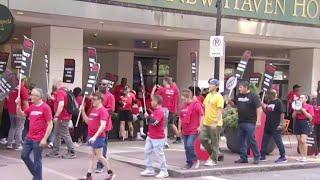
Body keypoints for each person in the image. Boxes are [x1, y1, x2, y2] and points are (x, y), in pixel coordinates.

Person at [17, 88, 53, 180]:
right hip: (29, 137)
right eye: (31, 94)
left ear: (38, 97)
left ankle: (37, 178)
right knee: (24, 155)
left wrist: (45, 139)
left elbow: (50, 124)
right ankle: (37, 175)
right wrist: (18, 105)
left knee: (37, 160)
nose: (30, 96)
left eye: (32, 94)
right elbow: (21, 114)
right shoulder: (32, 106)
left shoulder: (45, 107)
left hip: (39, 138)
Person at [79, 92, 115, 180]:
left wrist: (95, 136)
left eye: (94, 99)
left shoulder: (103, 111)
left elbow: (103, 125)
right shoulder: (93, 109)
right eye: (92, 99)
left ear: (100, 100)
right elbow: (88, 121)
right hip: (90, 135)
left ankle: (110, 173)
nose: (92, 101)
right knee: (90, 155)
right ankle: (89, 175)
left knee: (100, 157)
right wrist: (83, 111)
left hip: (98, 137)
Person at [229, 80, 262, 164]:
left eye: (241, 87)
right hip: (241, 121)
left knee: (251, 139)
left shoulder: (253, 96)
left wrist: (258, 121)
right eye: (239, 87)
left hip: (250, 122)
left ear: (246, 87)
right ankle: (243, 157)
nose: (239, 88)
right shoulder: (239, 95)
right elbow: (235, 105)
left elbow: (259, 109)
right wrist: (230, 102)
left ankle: (257, 156)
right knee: (241, 140)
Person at [140, 95, 169, 178]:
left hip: (158, 137)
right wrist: (144, 116)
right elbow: (151, 119)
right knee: (147, 152)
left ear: (157, 102)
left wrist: (147, 117)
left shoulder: (160, 111)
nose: (151, 102)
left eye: (153, 101)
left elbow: (155, 122)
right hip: (151, 136)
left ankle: (164, 171)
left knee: (159, 154)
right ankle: (149, 169)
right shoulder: (154, 111)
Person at [46, 80, 76, 159]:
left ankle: (71, 151)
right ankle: (55, 151)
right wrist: (52, 98)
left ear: (56, 84)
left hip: (62, 117)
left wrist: (56, 116)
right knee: (57, 134)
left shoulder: (60, 92)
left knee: (64, 134)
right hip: (64, 116)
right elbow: (61, 102)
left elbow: (61, 104)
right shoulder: (65, 91)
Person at [200, 79, 224, 166]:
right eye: (209, 84)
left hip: (215, 124)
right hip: (206, 122)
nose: (210, 86)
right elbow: (204, 107)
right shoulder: (208, 95)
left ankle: (214, 160)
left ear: (216, 86)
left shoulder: (219, 97)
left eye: (212, 84)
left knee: (215, 142)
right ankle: (214, 154)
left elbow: (220, 110)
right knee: (202, 138)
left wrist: (216, 122)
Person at [151, 77, 181, 148]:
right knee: (169, 125)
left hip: (164, 109)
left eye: (163, 81)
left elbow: (153, 97)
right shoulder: (174, 89)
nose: (163, 82)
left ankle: (163, 141)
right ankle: (166, 141)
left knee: (163, 126)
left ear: (165, 81)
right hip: (172, 110)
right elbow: (176, 98)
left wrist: (154, 89)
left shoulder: (161, 90)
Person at [260, 89, 287, 163]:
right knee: (264, 141)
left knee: (278, 141)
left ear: (276, 94)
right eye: (270, 93)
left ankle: (283, 156)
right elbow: (267, 112)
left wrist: (281, 124)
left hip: (276, 125)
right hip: (268, 125)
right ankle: (262, 155)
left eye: (272, 93)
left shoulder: (279, 102)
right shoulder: (269, 102)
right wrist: (263, 106)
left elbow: (282, 113)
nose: (270, 94)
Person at [180, 89, 204, 169]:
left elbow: (201, 115)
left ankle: (195, 159)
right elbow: (180, 118)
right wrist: (179, 129)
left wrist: (200, 126)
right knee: (186, 147)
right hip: (185, 130)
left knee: (190, 145)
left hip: (193, 129)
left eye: (183, 97)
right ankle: (189, 163)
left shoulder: (196, 105)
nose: (182, 99)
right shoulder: (183, 105)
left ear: (187, 97)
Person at [96, 79, 116, 173]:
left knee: (102, 145)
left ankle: (100, 165)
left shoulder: (110, 96)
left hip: (105, 124)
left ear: (107, 86)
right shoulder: (97, 95)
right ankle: (101, 161)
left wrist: (100, 110)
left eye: (103, 84)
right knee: (96, 146)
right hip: (96, 123)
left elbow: (111, 110)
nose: (101, 85)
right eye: (100, 83)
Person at [7, 78, 30, 150]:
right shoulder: (23, 89)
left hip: (11, 110)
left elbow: (7, 97)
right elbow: (26, 103)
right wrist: (28, 112)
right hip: (20, 111)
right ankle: (17, 145)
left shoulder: (11, 87)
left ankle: (9, 143)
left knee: (12, 127)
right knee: (19, 128)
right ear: (22, 81)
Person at [293, 95, 314, 162]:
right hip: (297, 123)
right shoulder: (297, 105)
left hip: (305, 123)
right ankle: (301, 156)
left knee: (303, 140)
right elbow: (293, 116)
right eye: (300, 97)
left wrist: (303, 110)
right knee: (299, 141)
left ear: (306, 99)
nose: (301, 99)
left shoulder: (309, 106)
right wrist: (296, 111)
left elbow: (310, 117)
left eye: (302, 97)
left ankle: (305, 156)